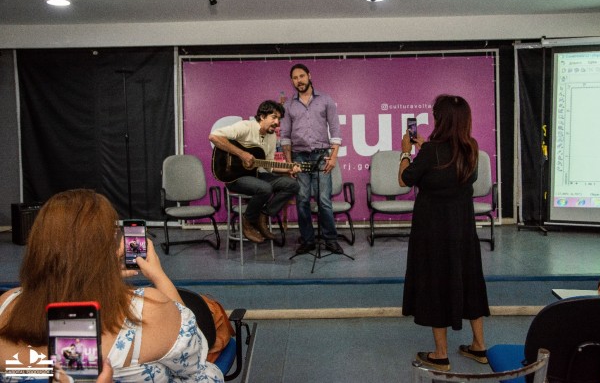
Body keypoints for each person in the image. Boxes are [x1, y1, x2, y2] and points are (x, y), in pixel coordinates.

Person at [0, 189, 224, 382]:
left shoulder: (6, 304)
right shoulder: (151, 309)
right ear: (106, 248)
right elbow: (194, 355)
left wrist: (102, 276)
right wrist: (158, 275)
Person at [398, 95, 490, 371]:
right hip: (463, 228)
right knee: (469, 280)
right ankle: (479, 346)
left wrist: (406, 152)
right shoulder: (471, 148)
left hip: (433, 229)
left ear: (441, 119)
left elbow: (404, 179)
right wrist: (426, 148)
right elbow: (451, 169)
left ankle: (441, 354)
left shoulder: (431, 152)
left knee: (435, 282)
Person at [209, 100, 301, 243]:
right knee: (265, 188)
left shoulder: (271, 136)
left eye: (279, 119)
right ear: (262, 116)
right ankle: (247, 222)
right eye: (274, 117)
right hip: (233, 177)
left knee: (292, 185)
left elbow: (268, 165)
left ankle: (263, 215)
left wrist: (289, 167)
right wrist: (241, 154)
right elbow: (214, 136)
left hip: (255, 175)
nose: (277, 122)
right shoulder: (246, 126)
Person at [280, 63, 343, 254]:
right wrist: (289, 163)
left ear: (309, 75)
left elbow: (335, 130)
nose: (299, 80)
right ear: (292, 81)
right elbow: (285, 137)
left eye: (301, 76)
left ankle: (330, 239)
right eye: (295, 78)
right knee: (302, 200)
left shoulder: (326, 100)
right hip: (299, 157)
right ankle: (308, 240)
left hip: (322, 156)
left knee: (324, 200)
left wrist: (333, 157)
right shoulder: (288, 106)